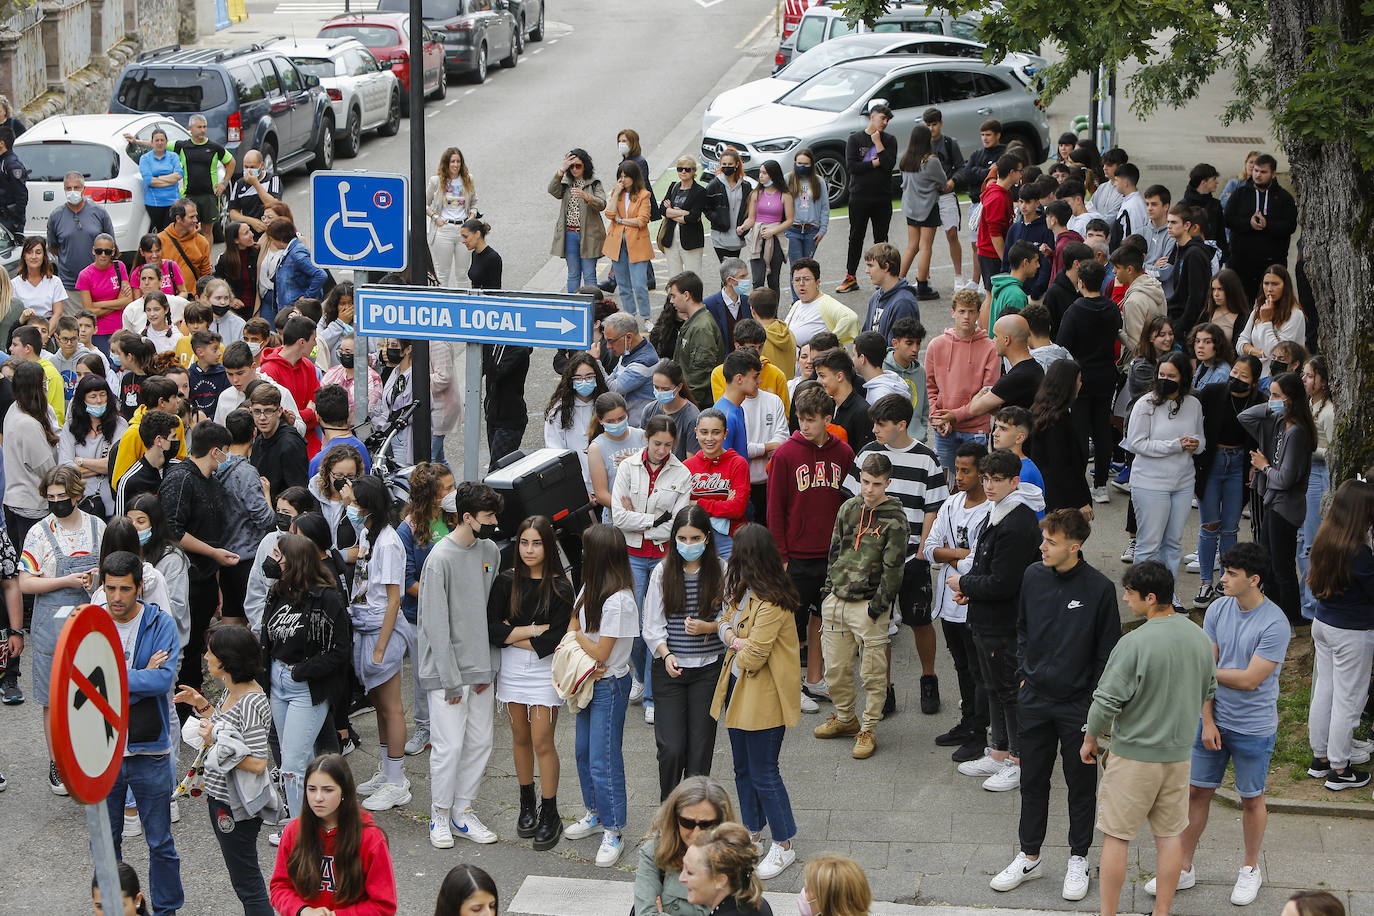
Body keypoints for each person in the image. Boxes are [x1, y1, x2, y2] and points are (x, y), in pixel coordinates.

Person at [990, 509, 1120, 902]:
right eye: (1042, 538)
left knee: (1080, 785)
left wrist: (1093, 705)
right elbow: (1023, 627)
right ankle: (1030, 856)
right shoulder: (1033, 575)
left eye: (1050, 541)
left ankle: (1078, 858)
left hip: (1077, 706)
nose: (1042, 546)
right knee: (1032, 780)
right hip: (1034, 699)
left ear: (1074, 547)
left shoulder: (1100, 588)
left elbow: (1107, 652)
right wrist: (1025, 673)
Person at [1086, 561, 1217, 916]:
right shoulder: (1200, 637)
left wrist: (1090, 738)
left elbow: (1106, 700)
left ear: (1151, 597)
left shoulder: (1134, 642)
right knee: (1170, 836)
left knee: (1116, 837)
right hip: (1177, 757)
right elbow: (1209, 688)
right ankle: (1162, 912)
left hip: (1133, 756)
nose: (1126, 600)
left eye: (1130, 594)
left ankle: (1108, 913)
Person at [946, 449, 1042, 791]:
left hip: (1004, 623)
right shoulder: (998, 512)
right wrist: (971, 592)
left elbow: (1004, 582)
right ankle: (1000, 752)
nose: (988, 485)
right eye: (986, 478)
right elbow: (989, 568)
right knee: (993, 689)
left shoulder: (1017, 521)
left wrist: (964, 583)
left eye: (997, 479)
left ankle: (1017, 760)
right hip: (986, 618)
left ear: (1014, 482)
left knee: (1007, 692)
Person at [414, 480, 502, 846]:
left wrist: (488, 664)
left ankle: (463, 812)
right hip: (447, 672)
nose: (495, 521)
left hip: (480, 667)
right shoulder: (440, 558)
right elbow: (435, 624)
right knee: (448, 746)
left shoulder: (491, 552)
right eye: (488, 516)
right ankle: (439, 815)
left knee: (481, 742)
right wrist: (450, 680)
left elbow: (489, 611)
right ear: (466, 517)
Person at [95, 551, 182, 916]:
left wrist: (111, 680)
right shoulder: (92, 623)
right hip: (103, 751)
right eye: (110, 588)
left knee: (160, 842)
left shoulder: (160, 623)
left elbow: (163, 680)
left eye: (124, 589)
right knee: (105, 845)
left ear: (139, 587)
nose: (116, 597)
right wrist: (138, 674)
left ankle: (165, 911)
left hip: (150, 751)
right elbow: (81, 683)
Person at [169, 624, 273, 916]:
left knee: (247, 883)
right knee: (243, 879)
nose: (204, 657)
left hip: (235, 803)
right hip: (222, 798)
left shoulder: (251, 701)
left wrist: (212, 738)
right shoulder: (233, 690)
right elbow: (228, 731)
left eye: (210, 653)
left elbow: (257, 762)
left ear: (227, 661)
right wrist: (202, 706)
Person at [485, 516, 573, 851]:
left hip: (544, 670)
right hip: (511, 669)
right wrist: (535, 630)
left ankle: (550, 811)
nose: (529, 549)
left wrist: (515, 633)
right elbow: (493, 630)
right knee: (519, 737)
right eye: (524, 542)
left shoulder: (561, 586)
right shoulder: (506, 581)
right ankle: (526, 803)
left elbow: (554, 640)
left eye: (536, 543)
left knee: (542, 740)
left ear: (548, 545)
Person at [813, 452, 908, 758]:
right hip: (837, 601)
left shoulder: (895, 518)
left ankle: (868, 728)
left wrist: (877, 607)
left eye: (876, 484)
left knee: (872, 674)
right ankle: (844, 718)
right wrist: (828, 592)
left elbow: (894, 569)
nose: (869, 489)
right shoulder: (849, 508)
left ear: (888, 483)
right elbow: (835, 550)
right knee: (836, 671)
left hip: (869, 606)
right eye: (865, 482)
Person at [19, 465, 103, 795]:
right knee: (53, 700)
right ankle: (57, 762)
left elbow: (112, 568)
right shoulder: (39, 533)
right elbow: (25, 581)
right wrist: (67, 580)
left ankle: (88, 756)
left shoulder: (98, 527)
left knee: (92, 691)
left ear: (77, 495)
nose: (56, 502)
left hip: (90, 620)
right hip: (50, 624)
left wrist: (96, 576)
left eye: (62, 497)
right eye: (50, 498)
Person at [562, 524, 639, 866]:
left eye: (585, 550)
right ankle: (594, 813)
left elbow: (601, 652)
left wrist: (579, 637)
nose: (581, 555)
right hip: (588, 682)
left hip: (609, 684)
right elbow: (573, 627)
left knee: (603, 759)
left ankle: (614, 829)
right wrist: (580, 637)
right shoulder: (590, 587)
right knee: (582, 752)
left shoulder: (619, 599)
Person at [642, 505, 727, 795]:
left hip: (709, 669)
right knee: (671, 747)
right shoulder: (663, 571)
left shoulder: (722, 570)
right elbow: (651, 625)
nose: (688, 545)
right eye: (682, 538)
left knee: (700, 751)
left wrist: (709, 627)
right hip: (670, 668)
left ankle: (694, 816)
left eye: (694, 538)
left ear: (707, 538)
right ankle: (668, 809)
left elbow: (733, 621)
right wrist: (665, 654)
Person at [344, 474, 415, 813]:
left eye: (355, 502)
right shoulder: (368, 534)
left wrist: (380, 648)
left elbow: (393, 600)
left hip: (380, 632)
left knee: (391, 707)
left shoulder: (387, 543)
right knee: (379, 706)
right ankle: (387, 770)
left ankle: (397, 780)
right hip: (365, 626)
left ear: (369, 506)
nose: (350, 507)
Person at [158, 420, 237, 708]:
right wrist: (214, 554)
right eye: (226, 451)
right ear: (215, 451)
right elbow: (173, 530)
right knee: (185, 647)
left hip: (204, 578)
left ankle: (192, 701)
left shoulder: (210, 482)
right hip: (183, 579)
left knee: (195, 647)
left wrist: (215, 578)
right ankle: (182, 706)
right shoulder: (181, 479)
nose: (228, 458)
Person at [1306, 480, 1374, 790]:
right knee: (1349, 700)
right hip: (1352, 632)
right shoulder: (1359, 553)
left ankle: (1321, 758)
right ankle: (1340, 769)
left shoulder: (1325, 537)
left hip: (1324, 624)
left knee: (1326, 690)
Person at [269, 754, 398, 916]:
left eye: (328, 790)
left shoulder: (370, 838)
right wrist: (303, 911)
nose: (318, 798)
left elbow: (384, 905)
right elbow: (279, 887)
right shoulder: (294, 831)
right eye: (312, 789)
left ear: (344, 792)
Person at [1239, 372, 1315, 623]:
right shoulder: (1279, 421)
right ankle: (1274, 614)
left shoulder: (1297, 432)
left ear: (1291, 399)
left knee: (1281, 568)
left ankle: (1291, 618)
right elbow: (1245, 416)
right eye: (1270, 394)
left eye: (1276, 396)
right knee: (1267, 564)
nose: (1271, 400)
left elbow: (1284, 479)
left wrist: (1263, 466)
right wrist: (1271, 403)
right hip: (1273, 502)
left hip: (1286, 508)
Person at [1126, 352, 1205, 588]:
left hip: (1182, 483)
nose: (1165, 379)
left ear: (1183, 378)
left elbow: (1201, 440)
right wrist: (1175, 445)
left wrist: (1196, 445)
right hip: (1150, 483)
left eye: (1171, 375)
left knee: (1173, 543)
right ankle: (1143, 592)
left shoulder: (1193, 404)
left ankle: (1168, 593)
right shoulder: (1145, 404)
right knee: (1149, 543)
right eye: (1162, 374)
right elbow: (1136, 443)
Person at [635, 776, 736, 916]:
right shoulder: (655, 852)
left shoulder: (735, 858)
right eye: (688, 823)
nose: (697, 833)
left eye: (707, 825)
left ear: (722, 824)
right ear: (675, 820)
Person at [926, 288, 997, 475]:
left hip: (976, 430)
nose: (966, 316)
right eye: (962, 311)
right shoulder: (936, 345)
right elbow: (930, 387)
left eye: (971, 311)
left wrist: (953, 415)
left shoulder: (990, 348)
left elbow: (988, 395)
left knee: (976, 482)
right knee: (946, 483)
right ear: (953, 312)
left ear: (978, 314)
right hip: (944, 429)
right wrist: (937, 418)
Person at [837, 102, 897, 294]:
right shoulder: (854, 139)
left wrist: (878, 143)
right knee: (856, 236)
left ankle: (883, 278)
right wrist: (874, 163)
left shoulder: (890, 140)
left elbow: (889, 165)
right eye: (882, 118)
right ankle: (851, 276)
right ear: (872, 116)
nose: (885, 122)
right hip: (859, 196)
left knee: (881, 239)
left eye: (888, 120)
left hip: (882, 197)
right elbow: (852, 167)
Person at [1224, 154, 1297, 301]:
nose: (1258, 175)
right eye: (1256, 170)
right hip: (1241, 263)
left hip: (1271, 264)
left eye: (1263, 172)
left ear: (1273, 174)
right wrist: (1248, 223)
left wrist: (1268, 225)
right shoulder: (1240, 193)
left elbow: (1290, 226)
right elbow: (1228, 219)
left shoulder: (1284, 198)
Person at [3, 361, 59, 554]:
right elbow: (47, 469)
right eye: (44, 383)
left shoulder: (14, 409)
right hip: (32, 505)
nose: (46, 387)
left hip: (15, 501)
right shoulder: (27, 424)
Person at [1027, 359, 1092, 514]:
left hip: (1047, 495)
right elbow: (1061, 465)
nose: (1080, 384)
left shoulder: (1039, 412)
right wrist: (1080, 501)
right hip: (1060, 501)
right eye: (1078, 380)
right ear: (1068, 384)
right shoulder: (1058, 420)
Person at [59, 374, 127, 519]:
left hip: (113, 505)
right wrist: (102, 467)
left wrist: (80, 461)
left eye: (103, 395)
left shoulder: (120, 424)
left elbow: (115, 464)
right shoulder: (70, 426)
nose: (99, 400)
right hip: (81, 504)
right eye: (93, 396)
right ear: (83, 400)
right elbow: (65, 468)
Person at [684, 408, 750, 560]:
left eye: (716, 432)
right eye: (704, 432)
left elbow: (737, 509)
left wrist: (697, 503)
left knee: (733, 583)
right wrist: (723, 504)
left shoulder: (737, 463)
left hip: (731, 539)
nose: (709, 438)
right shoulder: (687, 466)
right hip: (695, 539)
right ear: (696, 432)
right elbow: (682, 507)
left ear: (725, 434)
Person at [1296, 356, 1333, 618]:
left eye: (1309, 376)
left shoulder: (1329, 411)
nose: (1305, 380)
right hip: (1305, 473)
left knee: (1312, 542)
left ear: (1322, 380)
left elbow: (1333, 451)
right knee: (1301, 540)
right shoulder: (1308, 404)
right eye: (1304, 375)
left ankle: (1313, 605)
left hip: (1320, 476)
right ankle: (1305, 597)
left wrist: (1307, 449)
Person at [544, 352, 609, 496]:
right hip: (576, 487)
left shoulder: (607, 406)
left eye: (589, 377)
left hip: (608, 485)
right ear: (570, 380)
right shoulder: (559, 411)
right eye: (578, 378)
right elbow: (555, 452)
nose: (584, 382)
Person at [897, 123, 946, 300]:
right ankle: (923, 285)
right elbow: (943, 180)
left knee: (912, 246)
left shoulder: (906, 159)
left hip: (910, 207)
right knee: (925, 247)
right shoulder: (930, 160)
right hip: (927, 207)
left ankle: (897, 281)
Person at [259, 314, 322, 452]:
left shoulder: (308, 366)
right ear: (301, 342)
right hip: (282, 447)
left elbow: (318, 410)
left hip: (311, 446)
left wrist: (298, 417)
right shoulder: (268, 372)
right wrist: (307, 413)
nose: (315, 344)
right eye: (313, 339)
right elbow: (275, 418)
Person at [48, 171, 116, 297]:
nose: (72, 191)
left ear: (84, 189)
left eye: (76, 187)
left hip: (98, 282)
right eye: (69, 188)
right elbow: (53, 247)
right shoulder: (55, 216)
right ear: (64, 189)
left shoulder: (99, 213)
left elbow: (111, 246)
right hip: (69, 285)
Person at [549, 148, 607, 292]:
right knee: (573, 274)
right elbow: (552, 190)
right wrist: (561, 171)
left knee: (589, 275)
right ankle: (573, 307)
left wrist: (587, 197)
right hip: (570, 234)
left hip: (589, 235)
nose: (574, 169)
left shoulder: (594, 183)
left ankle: (593, 308)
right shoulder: (567, 183)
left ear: (585, 166)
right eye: (572, 166)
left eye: (578, 166)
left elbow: (602, 204)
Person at [605, 160, 654, 324]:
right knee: (623, 284)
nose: (623, 179)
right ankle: (629, 316)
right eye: (620, 176)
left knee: (640, 284)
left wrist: (621, 220)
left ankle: (646, 317)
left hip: (637, 243)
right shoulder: (616, 193)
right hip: (617, 243)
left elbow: (642, 220)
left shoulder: (643, 194)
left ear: (634, 177)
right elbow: (609, 213)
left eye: (626, 176)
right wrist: (617, 192)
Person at [670, 271, 725, 409]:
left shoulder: (701, 327)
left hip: (698, 404)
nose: (671, 301)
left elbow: (701, 377)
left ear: (686, 295)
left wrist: (685, 405)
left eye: (673, 296)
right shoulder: (695, 321)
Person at [247, 383, 307, 503]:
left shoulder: (290, 444)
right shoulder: (259, 440)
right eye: (257, 412)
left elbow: (299, 493)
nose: (262, 418)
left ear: (279, 411)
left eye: (268, 411)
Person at [76, 233, 135, 354]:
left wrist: (97, 304)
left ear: (113, 252)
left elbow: (128, 300)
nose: (103, 255)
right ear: (93, 251)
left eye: (107, 252)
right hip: (98, 331)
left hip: (120, 328)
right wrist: (117, 303)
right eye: (99, 251)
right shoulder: (84, 275)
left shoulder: (120, 267)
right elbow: (89, 311)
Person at [741, 160, 793, 294]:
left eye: (764, 173)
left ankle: (773, 313)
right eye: (760, 172)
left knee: (773, 280)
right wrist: (743, 227)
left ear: (773, 175)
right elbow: (751, 218)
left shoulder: (785, 195)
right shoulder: (755, 194)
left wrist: (773, 231)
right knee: (757, 280)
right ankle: (757, 311)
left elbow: (789, 220)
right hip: (757, 238)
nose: (761, 176)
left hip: (775, 239)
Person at [786, 258, 859, 348]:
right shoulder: (797, 304)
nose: (801, 283)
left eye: (807, 279)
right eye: (797, 280)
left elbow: (850, 318)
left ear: (817, 282)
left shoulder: (825, 303)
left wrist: (828, 344)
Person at [264, 221, 327, 325]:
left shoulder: (296, 252)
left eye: (271, 239)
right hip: (289, 310)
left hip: (296, 313)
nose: (271, 243)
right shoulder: (290, 250)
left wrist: (305, 298)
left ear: (280, 239)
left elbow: (320, 275)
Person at [601, 311, 659, 422]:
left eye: (611, 341)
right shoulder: (629, 352)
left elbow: (612, 389)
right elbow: (613, 377)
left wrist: (596, 361)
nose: (608, 346)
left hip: (639, 428)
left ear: (628, 337)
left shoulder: (645, 361)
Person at [641, 360, 700, 460]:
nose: (659, 392)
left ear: (679, 387)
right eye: (656, 387)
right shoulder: (649, 410)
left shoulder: (692, 417)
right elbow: (642, 446)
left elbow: (692, 460)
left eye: (665, 389)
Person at [660, 156, 708, 280]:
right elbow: (662, 210)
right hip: (671, 238)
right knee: (674, 277)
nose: (683, 172)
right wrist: (682, 213)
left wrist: (672, 212)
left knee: (693, 276)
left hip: (691, 239)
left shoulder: (699, 191)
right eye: (680, 169)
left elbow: (693, 217)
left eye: (687, 169)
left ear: (693, 171)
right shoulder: (673, 187)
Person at [705, 148, 754, 264]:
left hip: (738, 237)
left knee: (734, 270)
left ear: (737, 164)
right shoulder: (714, 185)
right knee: (727, 269)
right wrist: (717, 218)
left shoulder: (745, 186)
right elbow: (706, 208)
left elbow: (748, 209)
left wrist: (744, 225)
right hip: (720, 237)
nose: (727, 167)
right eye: (724, 164)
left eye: (730, 164)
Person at [860, 242, 918, 341]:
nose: (867, 270)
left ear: (886, 267)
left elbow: (899, 348)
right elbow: (865, 335)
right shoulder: (876, 297)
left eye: (870, 265)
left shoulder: (903, 303)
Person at [785, 148, 829, 268]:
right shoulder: (787, 179)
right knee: (796, 267)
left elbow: (825, 207)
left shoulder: (819, 181)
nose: (802, 167)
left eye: (805, 164)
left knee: (808, 267)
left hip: (811, 231)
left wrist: (822, 230)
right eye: (799, 164)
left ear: (811, 165)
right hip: (792, 230)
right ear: (795, 163)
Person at [13, 237, 66, 334]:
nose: (34, 256)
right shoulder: (14, 283)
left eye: (38, 252)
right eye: (29, 252)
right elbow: (14, 315)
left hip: (48, 330)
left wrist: (44, 335)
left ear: (44, 256)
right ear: (24, 255)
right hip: (23, 331)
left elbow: (57, 314)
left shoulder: (55, 282)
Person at [156, 199, 212, 292]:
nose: (196, 220)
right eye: (191, 217)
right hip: (166, 300)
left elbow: (206, 275)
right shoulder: (160, 240)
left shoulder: (202, 242)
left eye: (196, 216)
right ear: (178, 218)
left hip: (192, 300)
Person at [225, 149, 280, 239]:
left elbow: (275, 204)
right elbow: (233, 213)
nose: (249, 170)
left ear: (261, 165)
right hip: (249, 233)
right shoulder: (239, 184)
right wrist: (251, 221)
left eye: (252, 167)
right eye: (246, 167)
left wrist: (256, 184)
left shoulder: (272, 179)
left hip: (270, 231)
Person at [984, 240, 1040, 328]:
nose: (1038, 265)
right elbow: (1016, 331)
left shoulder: (1001, 285)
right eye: (1036, 261)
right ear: (1025, 262)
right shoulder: (1016, 296)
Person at [136, 128, 183, 232]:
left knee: (171, 232)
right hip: (155, 203)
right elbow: (149, 181)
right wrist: (170, 179)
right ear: (152, 142)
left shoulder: (173, 156)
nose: (160, 143)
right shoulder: (145, 159)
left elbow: (179, 175)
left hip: (173, 202)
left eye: (162, 140)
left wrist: (157, 179)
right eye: (157, 140)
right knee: (161, 234)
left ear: (166, 142)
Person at [1191, 320, 1234, 391]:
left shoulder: (1221, 373)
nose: (1200, 346)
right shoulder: (1203, 364)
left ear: (1218, 344)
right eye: (1197, 341)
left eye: (1207, 342)